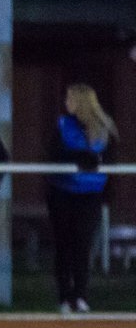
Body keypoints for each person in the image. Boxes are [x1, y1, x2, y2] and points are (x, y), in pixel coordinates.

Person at [46, 83, 117, 314]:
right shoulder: (62, 124)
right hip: (63, 192)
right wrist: (79, 156)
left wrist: (95, 161)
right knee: (63, 245)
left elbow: (110, 158)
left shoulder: (104, 126)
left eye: (70, 99)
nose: (67, 103)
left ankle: (81, 296)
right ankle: (64, 297)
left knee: (82, 245)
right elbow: (53, 153)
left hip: (90, 194)